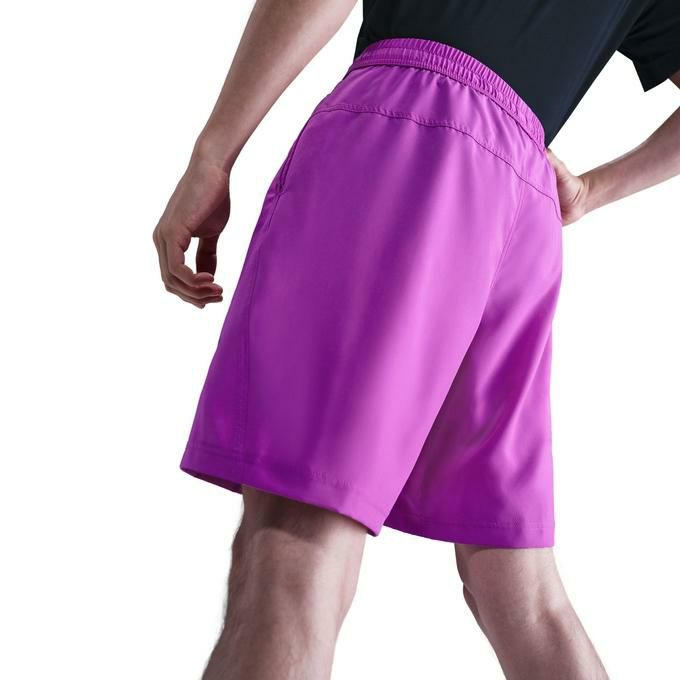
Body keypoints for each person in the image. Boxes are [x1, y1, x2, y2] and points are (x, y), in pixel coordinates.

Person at [152, 1, 680, 678]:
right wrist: (589, 191)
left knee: (292, 542)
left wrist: (213, 152)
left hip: (409, 131)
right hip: (520, 194)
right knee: (519, 591)